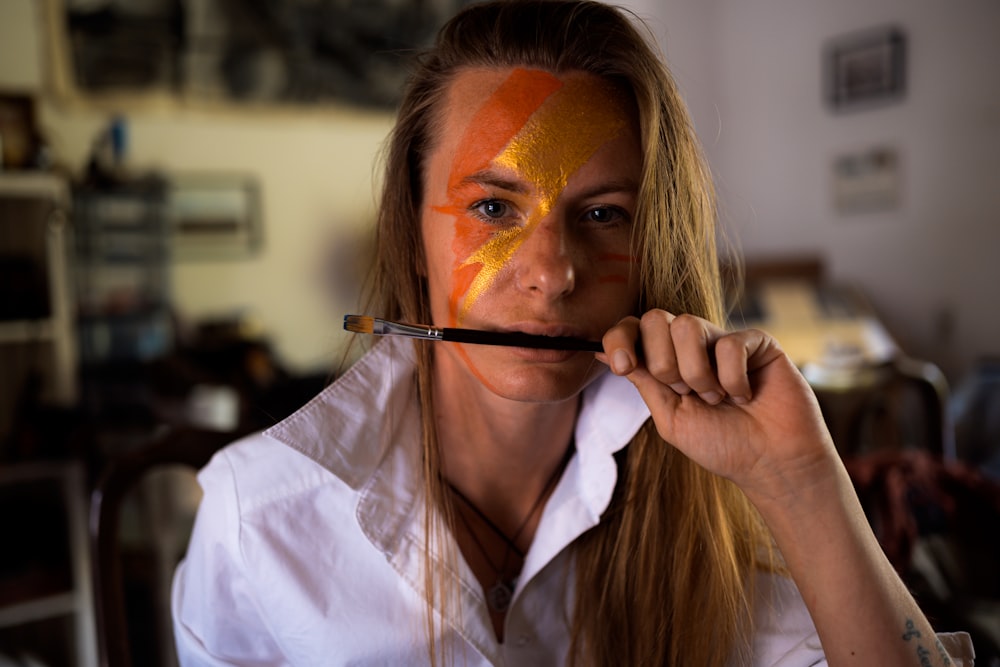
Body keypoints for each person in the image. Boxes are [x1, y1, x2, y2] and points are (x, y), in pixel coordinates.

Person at [171, 1, 974, 665]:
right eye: (492, 208)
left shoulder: (715, 502)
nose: (552, 272)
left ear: (649, 249)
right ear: (412, 236)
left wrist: (802, 483)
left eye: (601, 215)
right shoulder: (258, 521)